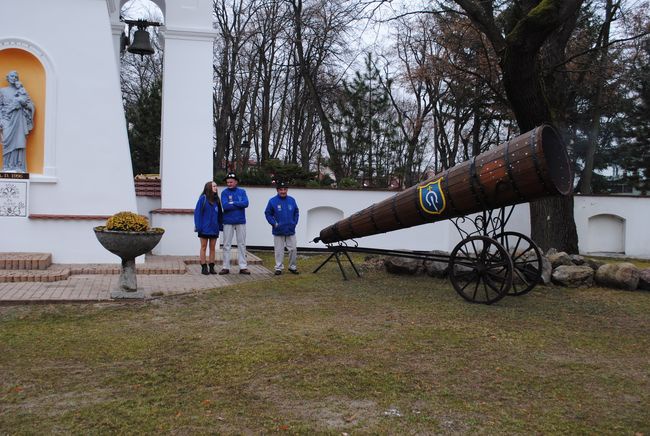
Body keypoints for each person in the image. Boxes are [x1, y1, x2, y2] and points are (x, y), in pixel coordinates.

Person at [0, 71, 34, 173]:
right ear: (8, 78)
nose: (14, 78)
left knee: (19, 141)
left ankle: (18, 166)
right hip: (6, 119)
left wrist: (22, 102)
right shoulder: (2, 91)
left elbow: (30, 105)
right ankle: (7, 166)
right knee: (6, 142)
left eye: (16, 76)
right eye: (12, 76)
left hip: (19, 120)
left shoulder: (22, 91)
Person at [264, 180, 300, 275]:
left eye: (284, 189)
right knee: (279, 250)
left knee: (293, 249)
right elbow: (268, 213)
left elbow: (296, 212)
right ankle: (278, 268)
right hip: (278, 230)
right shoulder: (272, 201)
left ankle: (292, 267)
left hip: (290, 230)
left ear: (287, 190)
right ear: (277, 190)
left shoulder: (292, 200)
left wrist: (294, 222)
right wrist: (274, 223)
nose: (283, 191)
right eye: (281, 189)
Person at [219, 172, 250, 275]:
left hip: (240, 221)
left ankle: (243, 267)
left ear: (236, 182)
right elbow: (225, 206)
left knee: (241, 244)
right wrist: (238, 204)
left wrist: (233, 203)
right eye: (227, 182)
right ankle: (225, 267)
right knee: (226, 244)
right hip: (228, 221)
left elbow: (246, 203)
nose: (229, 184)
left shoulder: (242, 191)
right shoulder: (224, 193)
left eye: (231, 182)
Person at [194, 181, 223, 275]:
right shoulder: (203, 199)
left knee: (212, 248)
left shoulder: (217, 200)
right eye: (214, 186)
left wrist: (220, 226)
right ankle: (203, 267)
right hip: (204, 228)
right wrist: (198, 226)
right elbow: (197, 213)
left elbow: (220, 215)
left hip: (214, 228)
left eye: (216, 186)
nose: (216, 188)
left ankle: (211, 267)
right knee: (203, 247)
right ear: (209, 187)